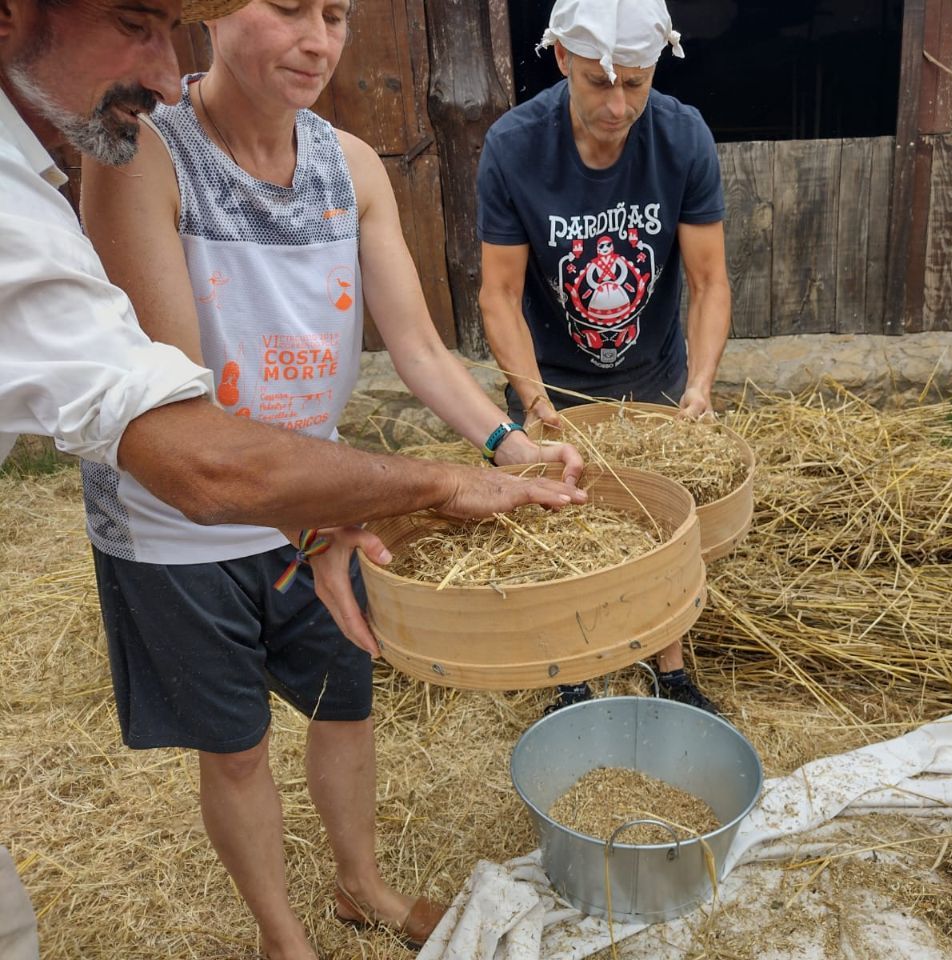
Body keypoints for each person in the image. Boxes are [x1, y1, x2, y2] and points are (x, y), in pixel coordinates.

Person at [0, 0, 584, 955]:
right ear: (218, 17)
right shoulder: (142, 153)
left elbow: (423, 351)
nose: (319, 42)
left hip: (321, 501)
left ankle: (364, 889)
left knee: (344, 707)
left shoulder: (349, 166)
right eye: (288, 9)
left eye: (337, 15)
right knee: (234, 750)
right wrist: (357, 505)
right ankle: (284, 937)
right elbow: (180, 415)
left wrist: (507, 447)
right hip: (180, 528)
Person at [476, 0, 732, 713]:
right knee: (564, 528)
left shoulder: (681, 137)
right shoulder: (515, 146)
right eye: (597, 83)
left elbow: (709, 280)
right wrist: (533, 403)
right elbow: (498, 295)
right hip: (550, 379)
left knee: (663, 525)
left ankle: (670, 671)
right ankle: (571, 682)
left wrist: (701, 386)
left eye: (635, 84)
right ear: (561, 59)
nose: (617, 105)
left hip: (651, 371)